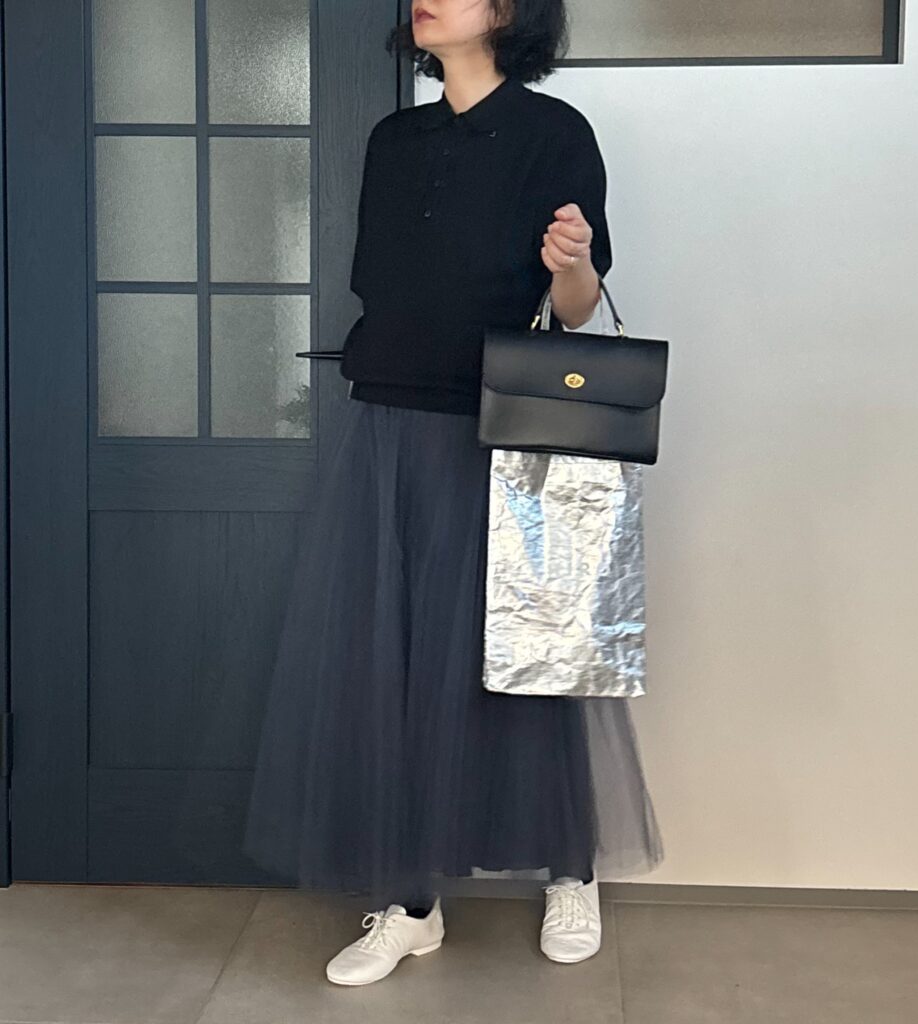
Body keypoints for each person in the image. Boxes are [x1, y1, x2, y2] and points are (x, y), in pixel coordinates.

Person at [240, 0, 664, 987]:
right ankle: (410, 901)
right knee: (392, 665)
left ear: (509, 11)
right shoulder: (394, 138)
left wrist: (573, 264)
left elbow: (572, 310)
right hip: (389, 420)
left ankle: (570, 870)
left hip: (505, 431)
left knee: (530, 646)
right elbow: (383, 286)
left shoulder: (553, 132)